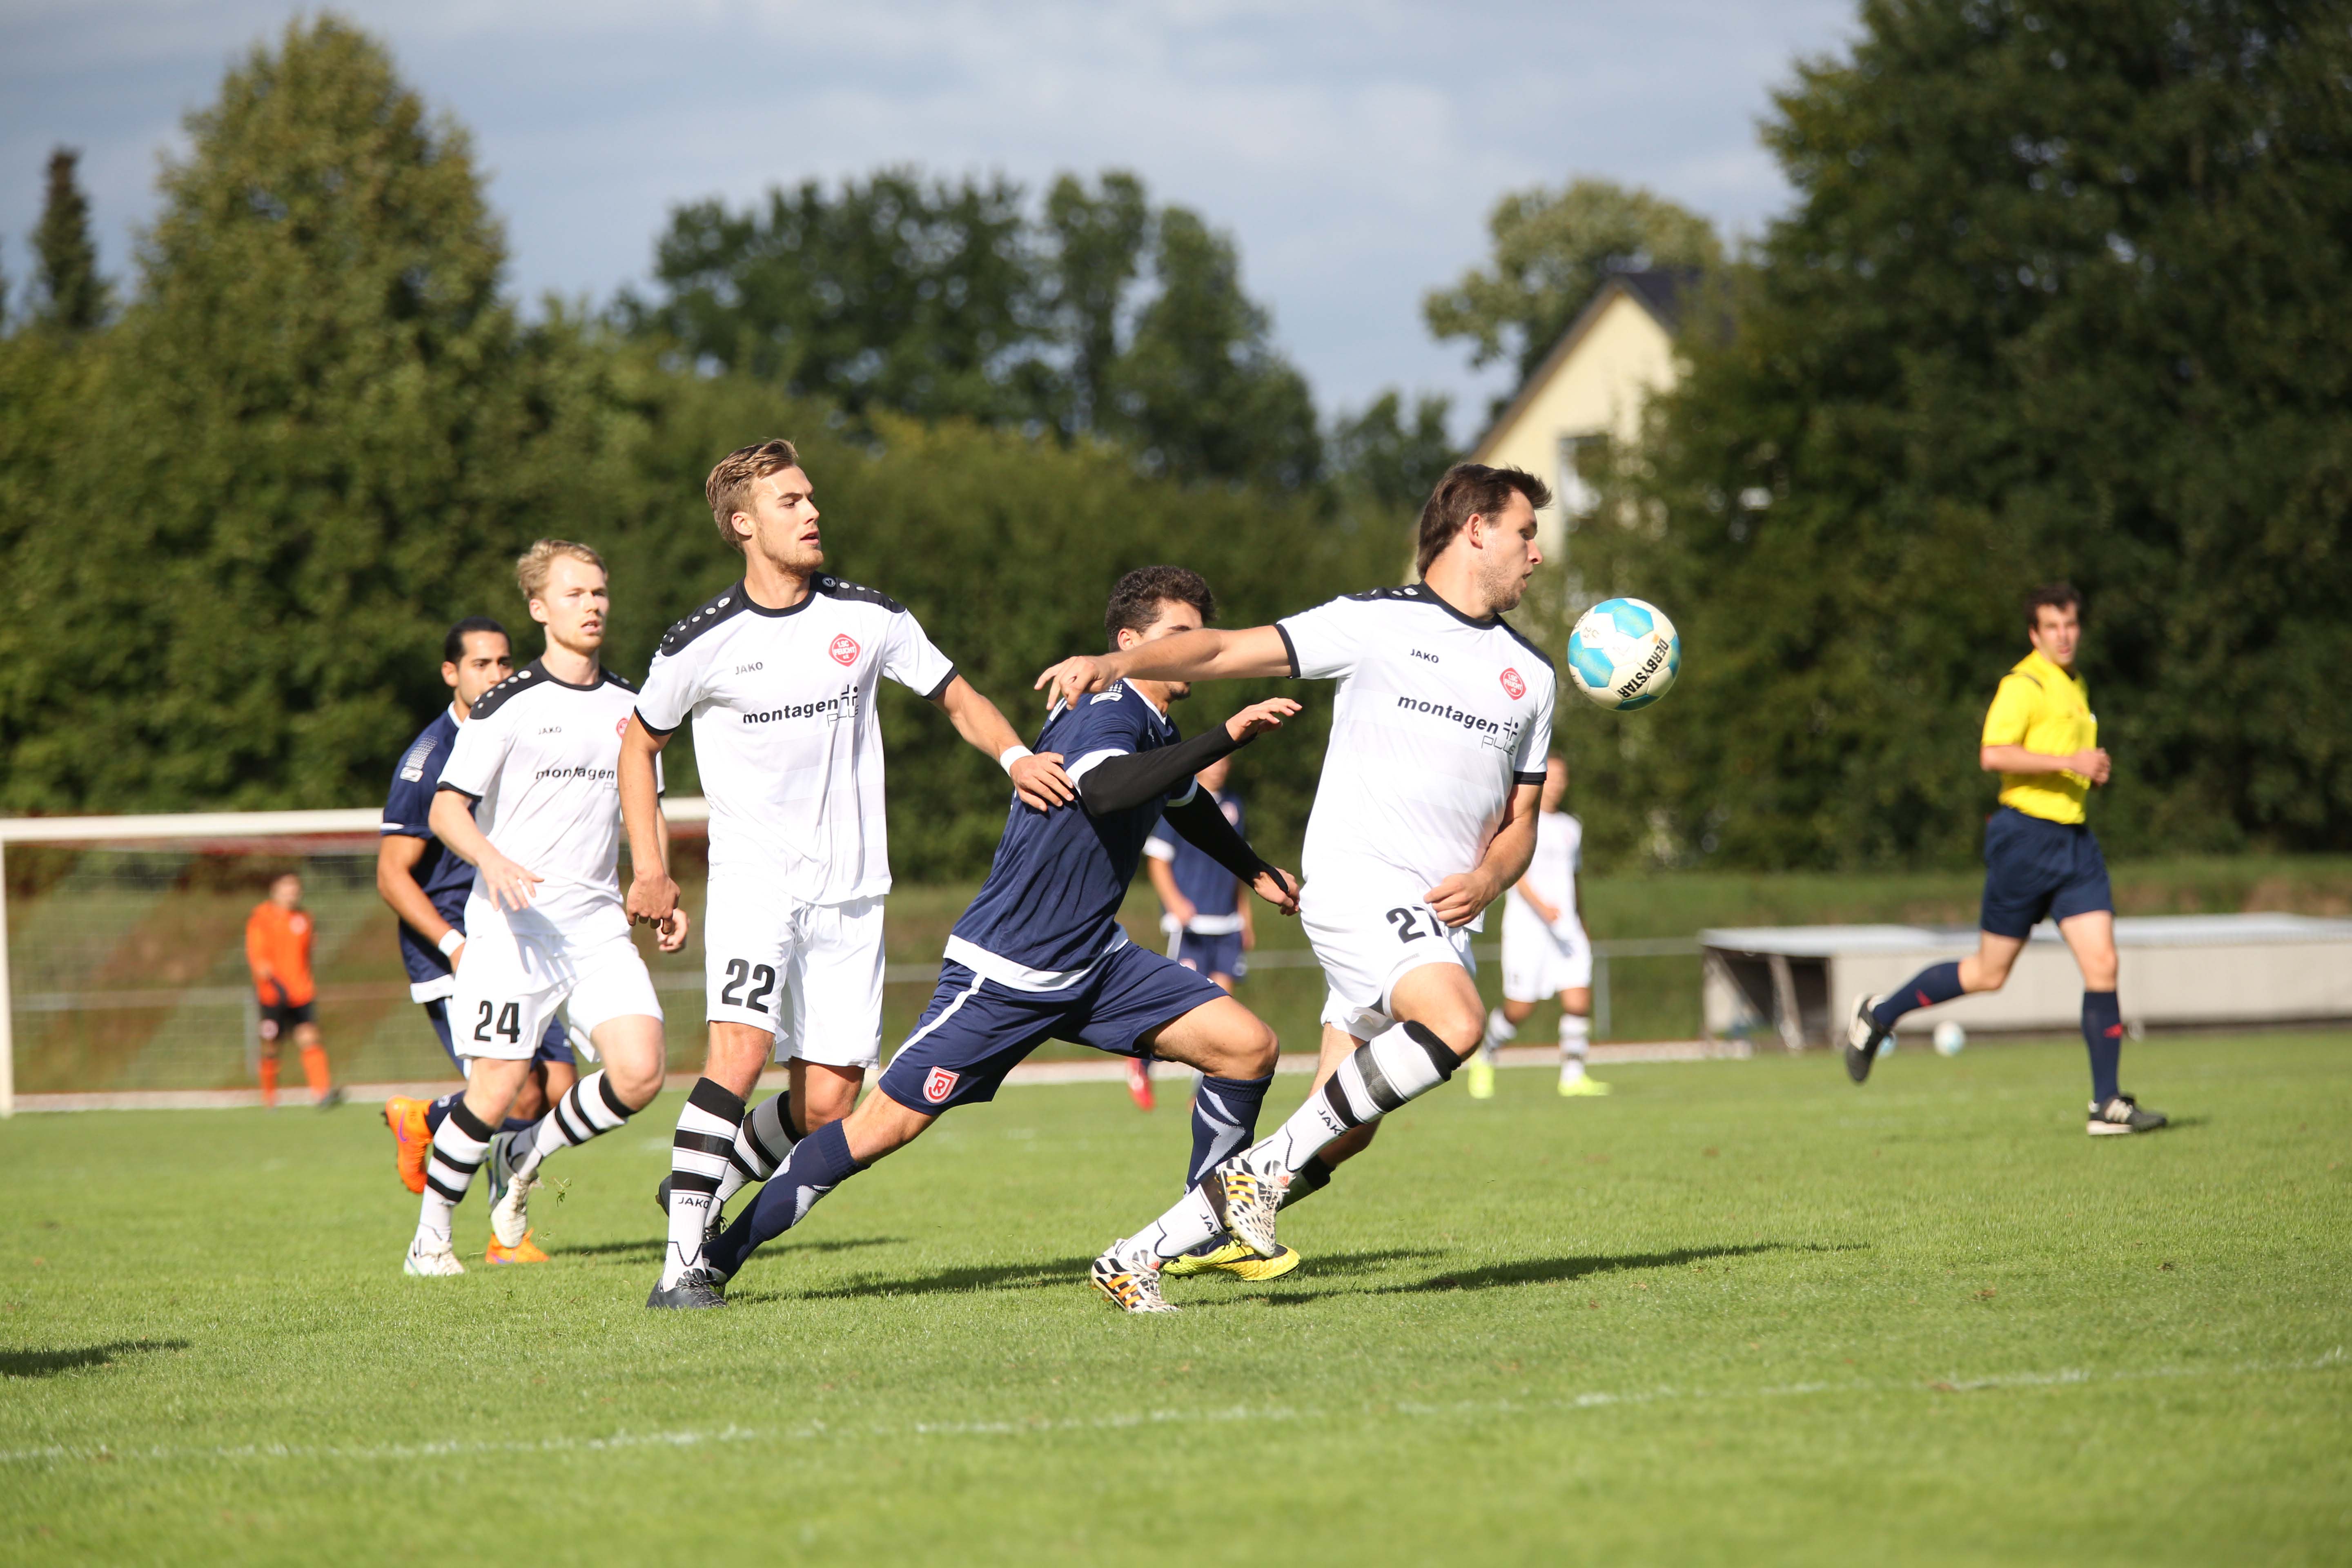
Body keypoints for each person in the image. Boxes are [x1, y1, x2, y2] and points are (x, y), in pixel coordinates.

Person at [661, 567, 1305, 1315]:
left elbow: (1182, 799)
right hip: (1003, 974)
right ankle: (711, 1261)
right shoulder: (1104, 710)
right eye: (1179, 636)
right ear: (1130, 644)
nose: (1197, 651)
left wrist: (1253, 869)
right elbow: (1105, 789)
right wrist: (1226, 735)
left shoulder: (1152, 724)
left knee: (1247, 1047)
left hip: (1095, 962)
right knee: (872, 1132)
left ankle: (1200, 1231)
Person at [1040, 463, 1556, 1277]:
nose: (1537, 552)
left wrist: (1491, 880)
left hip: (1437, 918)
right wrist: (1117, 666)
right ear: (1477, 529)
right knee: (1458, 1025)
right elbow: (1226, 647)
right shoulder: (1373, 622)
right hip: (1362, 885)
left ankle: (1141, 1253)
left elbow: (1521, 825)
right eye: (1526, 532)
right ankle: (1255, 1176)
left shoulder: (1533, 677)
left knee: (1348, 1125)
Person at [619, 439, 1078, 1308]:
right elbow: (639, 744)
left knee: (828, 1103)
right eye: (792, 502)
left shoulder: (869, 617)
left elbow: (955, 694)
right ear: (744, 525)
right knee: (739, 1051)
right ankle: (682, 1266)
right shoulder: (702, 641)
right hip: (757, 882)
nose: (813, 512)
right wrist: (651, 869)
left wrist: (1016, 754)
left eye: (813, 498)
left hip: (854, 891)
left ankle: (698, 1179)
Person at [401, 540, 690, 1278]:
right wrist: (491, 860)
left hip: (594, 926)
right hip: (512, 929)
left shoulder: (633, 706)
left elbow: (646, 812)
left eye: (599, 592)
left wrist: (660, 886)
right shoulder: (506, 703)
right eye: (574, 594)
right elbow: (445, 810)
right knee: (494, 1088)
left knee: (640, 1072)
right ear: (539, 608)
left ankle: (528, 1155)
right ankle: (430, 1238)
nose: (592, 605)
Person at [1844, 583, 2166, 1135]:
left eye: (2071, 625)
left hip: (2074, 844)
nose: (2064, 636)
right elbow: (1993, 753)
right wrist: (2072, 762)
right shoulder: (2024, 683)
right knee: (1989, 974)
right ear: (2034, 634)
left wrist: (2087, 770)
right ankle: (1880, 1014)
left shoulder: (2076, 683)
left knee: (2103, 965)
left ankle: (2106, 1105)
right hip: (2025, 840)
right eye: (2052, 627)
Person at [375, 618, 579, 1233]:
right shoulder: (430, 759)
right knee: (514, 1091)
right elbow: (392, 876)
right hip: (452, 949)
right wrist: (453, 946)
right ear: (451, 674)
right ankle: (504, 1234)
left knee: (562, 1087)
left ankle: (427, 1118)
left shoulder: (516, 734)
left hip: (516, 937)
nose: (496, 676)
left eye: (504, 664)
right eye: (481, 665)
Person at [1474, 755, 1605, 1098]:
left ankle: (1573, 1077)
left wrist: (1581, 923)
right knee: (1521, 1007)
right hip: (1527, 930)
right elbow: (1512, 872)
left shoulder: (1570, 827)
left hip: (1567, 931)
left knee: (1578, 1001)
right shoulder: (1519, 822)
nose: (1558, 784)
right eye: (1553, 777)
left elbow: (1574, 881)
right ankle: (1486, 1054)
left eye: (1564, 778)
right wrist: (1541, 906)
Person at [1134, 753, 1254, 1111]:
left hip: (1227, 923)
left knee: (1224, 1013)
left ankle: (1201, 1093)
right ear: (1201, 764)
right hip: (1191, 926)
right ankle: (1142, 1060)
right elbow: (1157, 859)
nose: (1220, 767)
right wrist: (1175, 902)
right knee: (1181, 1008)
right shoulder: (1182, 800)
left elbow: (1239, 864)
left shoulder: (1235, 805)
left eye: (1226, 762)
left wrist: (1245, 916)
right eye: (1214, 761)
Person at [244, 873, 339, 1109]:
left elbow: (306, 955)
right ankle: (269, 1097)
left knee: (310, 1038)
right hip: (273, 995)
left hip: (301, 993)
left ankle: (322, 1093)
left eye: (295, 888)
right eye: (287, 888)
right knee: (271, 1044)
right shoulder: (261, 918)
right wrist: (273, 982)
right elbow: (259, 959)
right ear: (274, 890)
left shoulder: (304, 918)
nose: (292, 893)